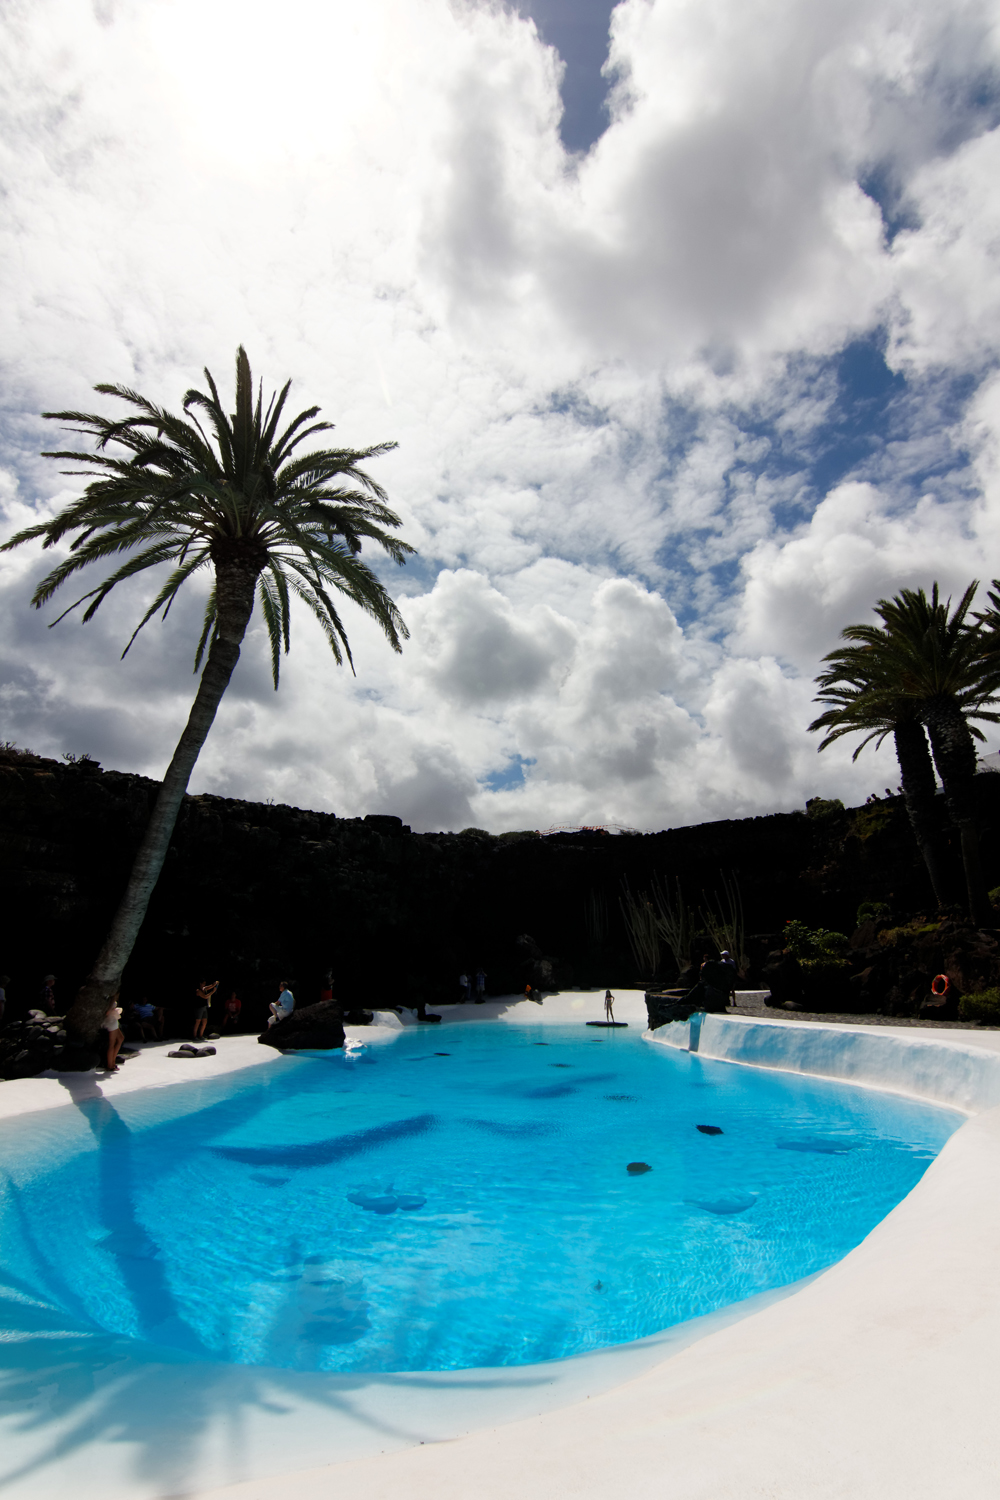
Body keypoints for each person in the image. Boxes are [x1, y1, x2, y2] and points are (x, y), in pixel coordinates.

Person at [102, 994, 124, 1072]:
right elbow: (107, 1011)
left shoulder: (108, 997)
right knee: (112, 1043)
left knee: (120, 1038)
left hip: (111, 1020)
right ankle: (110, 1065)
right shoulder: (110, 997)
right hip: (111, 1020)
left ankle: (112, 1062)